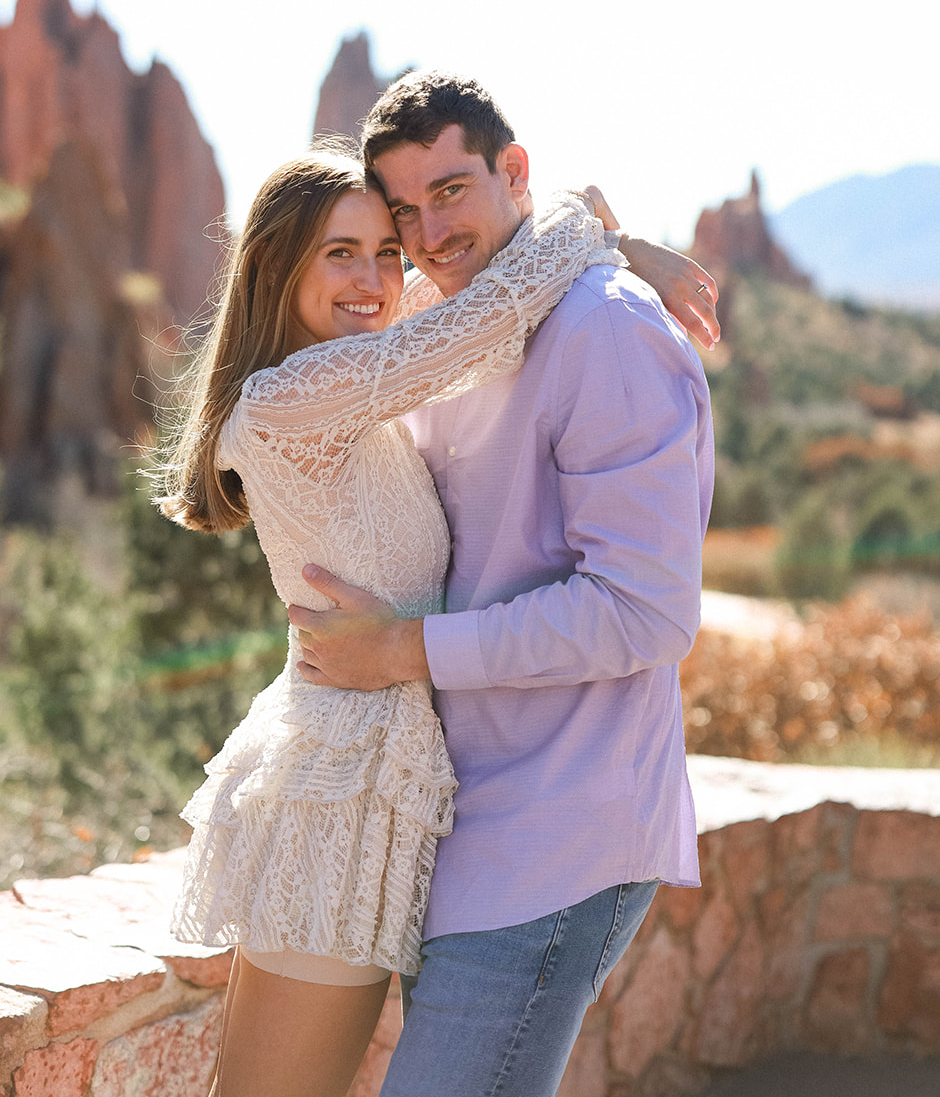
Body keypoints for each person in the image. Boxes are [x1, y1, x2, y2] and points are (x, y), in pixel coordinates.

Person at [158, 143, 712, 1097]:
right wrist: (605, 238)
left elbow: (487, 287)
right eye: (340, 253)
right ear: (275, 267)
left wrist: (618, 247)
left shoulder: (354, 367)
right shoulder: (290, 399)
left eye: (388, 250)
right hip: (337, 795)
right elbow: (492, 315)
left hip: (397, 787)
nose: (375, 278)